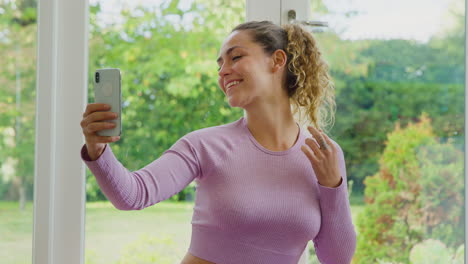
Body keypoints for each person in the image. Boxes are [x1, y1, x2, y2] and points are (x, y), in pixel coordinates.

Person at [80, 20, 356, 264]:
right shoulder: (204, 146)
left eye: (235, 57)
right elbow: (133, 195)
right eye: (220, 64)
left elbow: (336, 258)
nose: (223, 71)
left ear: (277, 60)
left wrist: (332, 185)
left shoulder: (323, 155)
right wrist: (98, 149)